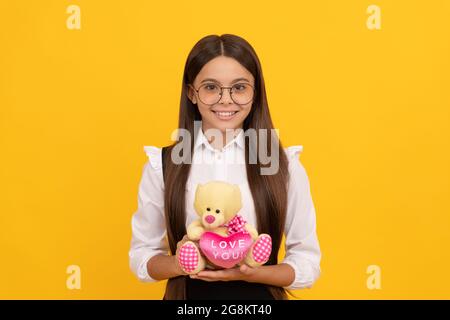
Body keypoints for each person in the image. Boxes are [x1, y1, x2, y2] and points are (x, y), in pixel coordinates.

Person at [129, 34, 321, 300]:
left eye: (239, 87)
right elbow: (142, 256)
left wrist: (250, 272)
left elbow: (307, 263)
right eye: (211, 87)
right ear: (191, 93)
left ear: (255, 93)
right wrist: (181, 262)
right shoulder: (162, 165)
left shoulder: (282, 166)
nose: (226, 99)